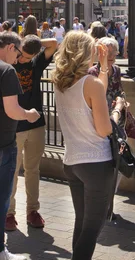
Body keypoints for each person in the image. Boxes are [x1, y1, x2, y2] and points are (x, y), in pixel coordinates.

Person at [52, 31, 125, 260]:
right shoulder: (90, 83)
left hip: (73, 162)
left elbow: (93, 91)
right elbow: (104, 129)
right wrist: (118, 110)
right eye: (94, 49)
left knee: (82, 222)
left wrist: (103, 66)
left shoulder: (60, 81)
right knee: (92, 228)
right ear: (85, 52)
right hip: (96, 162)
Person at [6, 34, 57, 231]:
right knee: (12, 171)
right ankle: (8, 213)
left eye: (27, 57)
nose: (22, 60)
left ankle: (32, 211)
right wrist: (21, 44)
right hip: (15, 125)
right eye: (21, 55)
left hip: (36, 124)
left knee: (33, 170)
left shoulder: (36, 63)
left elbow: (53, 44)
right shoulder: (10, 63)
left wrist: (33, 43)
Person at [0, 31, 40, 260]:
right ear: (9, 47)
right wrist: (30, 114)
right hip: (4, 144)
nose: (17, 59)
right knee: (2, 199)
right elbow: (12, 110)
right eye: (17, 53)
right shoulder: (7, 71)